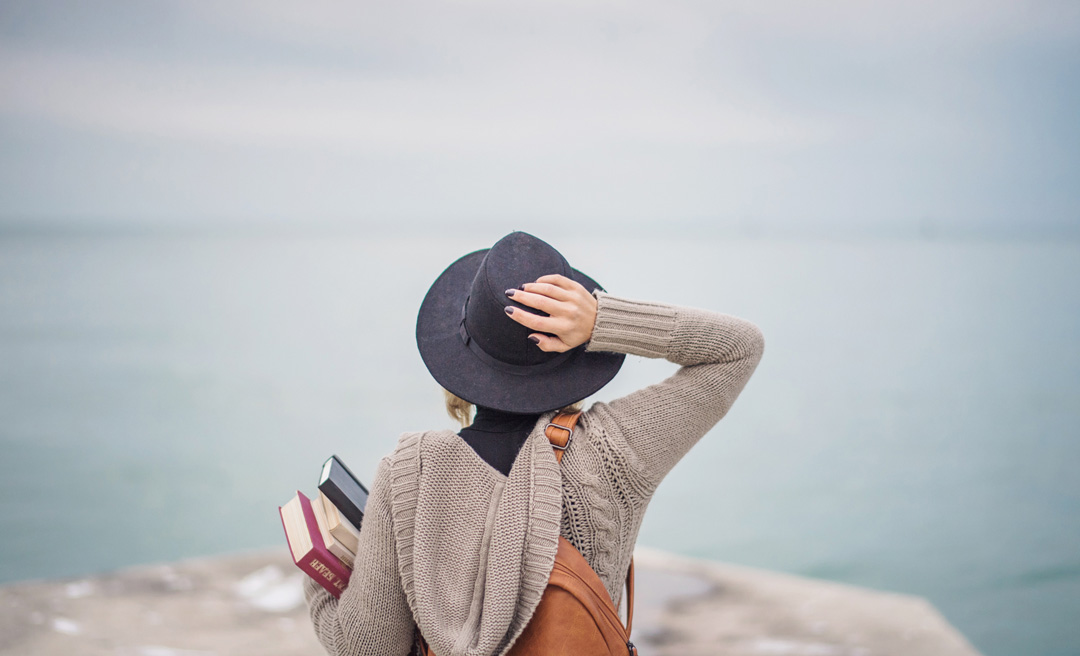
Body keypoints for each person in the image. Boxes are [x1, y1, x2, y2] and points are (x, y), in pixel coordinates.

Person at [304, 231, 765, 656]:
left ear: (460, 355)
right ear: (576, 351)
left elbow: (369, 648)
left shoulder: (412, 472)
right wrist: (604, 319)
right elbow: (738, 347)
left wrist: (322, 578)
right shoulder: (615, 450)